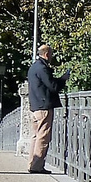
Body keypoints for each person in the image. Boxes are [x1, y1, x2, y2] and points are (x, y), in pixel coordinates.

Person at [26, 44, 70, 174]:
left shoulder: (34, 67)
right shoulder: (42, 68)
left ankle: (32, 163)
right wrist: (64, 78)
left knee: (35, 136)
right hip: (43, 107)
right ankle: (37, 166)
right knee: (43, 137)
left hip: (35, 106)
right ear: (46, 54)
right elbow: (53, 86)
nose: (51, 57)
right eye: (50, 54)